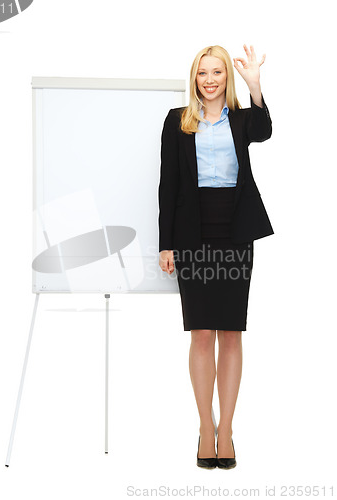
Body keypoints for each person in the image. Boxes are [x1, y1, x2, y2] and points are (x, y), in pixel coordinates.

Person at [158, 44, 273, 469]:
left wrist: (255, 82)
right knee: (201, 333)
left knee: (231, 332)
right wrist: (165, 243)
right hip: (192, 233)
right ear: (194, 78)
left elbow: (265, 129)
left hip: (235, 231)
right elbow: (167, 185)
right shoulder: (177, 122)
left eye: (217, 73)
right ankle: (205, 426)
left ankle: (227, 431)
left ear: (227, 78)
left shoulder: (242, 120)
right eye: (203, 73)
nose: (209, 80)